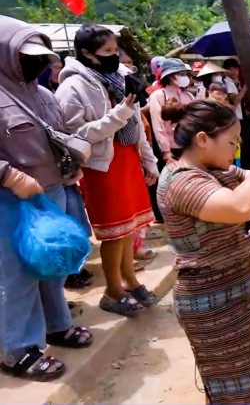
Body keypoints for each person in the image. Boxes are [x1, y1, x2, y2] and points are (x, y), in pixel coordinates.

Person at [157, 99, 250, 404]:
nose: (235, 149)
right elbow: (243, 207)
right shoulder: (183, 181)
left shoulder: (211, 169)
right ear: (203, 140)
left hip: (239, 287)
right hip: (212, 302)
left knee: (238, 388)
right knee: (236, 393)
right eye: (231, 142)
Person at [0, 16, 94, 382]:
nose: (36, 63)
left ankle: (56, 325)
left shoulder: (42, 94)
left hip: (52, 191)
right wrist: (8, 175)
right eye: (26, 56)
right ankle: (16, 349)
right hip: (10, 200)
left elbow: (62, 133)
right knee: (18, 273)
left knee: (51, 267)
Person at [56, 24, 160, 317]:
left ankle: (129, 279)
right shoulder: (71, 87)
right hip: (102, 165)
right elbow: (77, 134)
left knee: (129, 229)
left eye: (116, 50)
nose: (115, 56)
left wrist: (147, 159)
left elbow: (136, 125)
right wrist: (120, 114)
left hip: (126, 157)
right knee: (114, 233)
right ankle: (112, 291)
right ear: (87, 54)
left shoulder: (118, 77)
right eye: (107, 52)